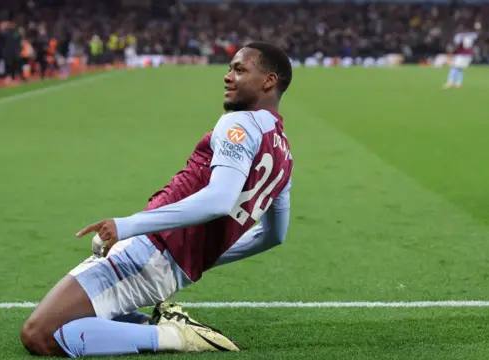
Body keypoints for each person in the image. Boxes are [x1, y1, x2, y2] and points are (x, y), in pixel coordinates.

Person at [20, 41, 294, 358]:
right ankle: (166, 323)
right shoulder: (285, 157)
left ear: (269, 81)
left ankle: (172, 335)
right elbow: (274, 235)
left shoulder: (240, 123)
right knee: (70, 317)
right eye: (230, 68)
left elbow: (219, 200)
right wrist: (205, 257)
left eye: (239, 69)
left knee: (40, 335)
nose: (227, 76)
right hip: (169, 264)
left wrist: (126, 226)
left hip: (152, 250)